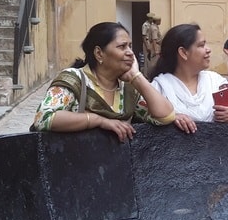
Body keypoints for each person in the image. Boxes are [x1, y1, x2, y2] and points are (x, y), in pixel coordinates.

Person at [32, 22, 175, 142]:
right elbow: (44, 118)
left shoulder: (127, 88)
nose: (130, 52)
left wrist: (137, 76)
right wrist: (99, 121)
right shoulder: (74, 79)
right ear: (99, 53)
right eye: (122, 46)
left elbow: (165, 117)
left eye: (130, 46)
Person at [150, 23, 228, 134]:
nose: (208, 50)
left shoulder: (216, 83)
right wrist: (170, 118)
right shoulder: (159, 88)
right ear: (183, 52)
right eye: (201, 45)